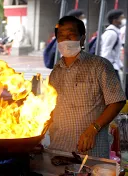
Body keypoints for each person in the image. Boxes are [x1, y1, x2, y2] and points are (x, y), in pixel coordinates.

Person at [48, 16, 126, 158]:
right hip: (58, 148)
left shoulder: (99, 65)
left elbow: (117, 101)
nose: (66, 39)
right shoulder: (55, 72)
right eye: (61, 36)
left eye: (71, 34)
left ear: (82, 38)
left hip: (91, 149)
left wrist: (93, 129)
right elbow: (50, 109)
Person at [101, 9, 125, 80]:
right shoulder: (111, 34)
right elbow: (105, 52)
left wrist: (121, 66)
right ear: (115, 21)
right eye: (122, 18)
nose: (124, 20)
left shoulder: (115, 33)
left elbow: (114, 54)